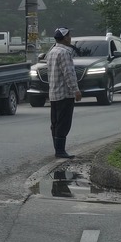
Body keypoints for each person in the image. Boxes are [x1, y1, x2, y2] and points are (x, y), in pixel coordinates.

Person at [46, 27, 84, 159]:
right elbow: (69, 73)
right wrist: (76, 90)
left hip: (54, 93)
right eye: (69, 35)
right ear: (65, 38)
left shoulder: (51, 52)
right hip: (64, 93)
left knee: (55, 122)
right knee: (64, 123)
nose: (71, 38)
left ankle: (58, 148)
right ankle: (60, 150)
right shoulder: (64, 53)